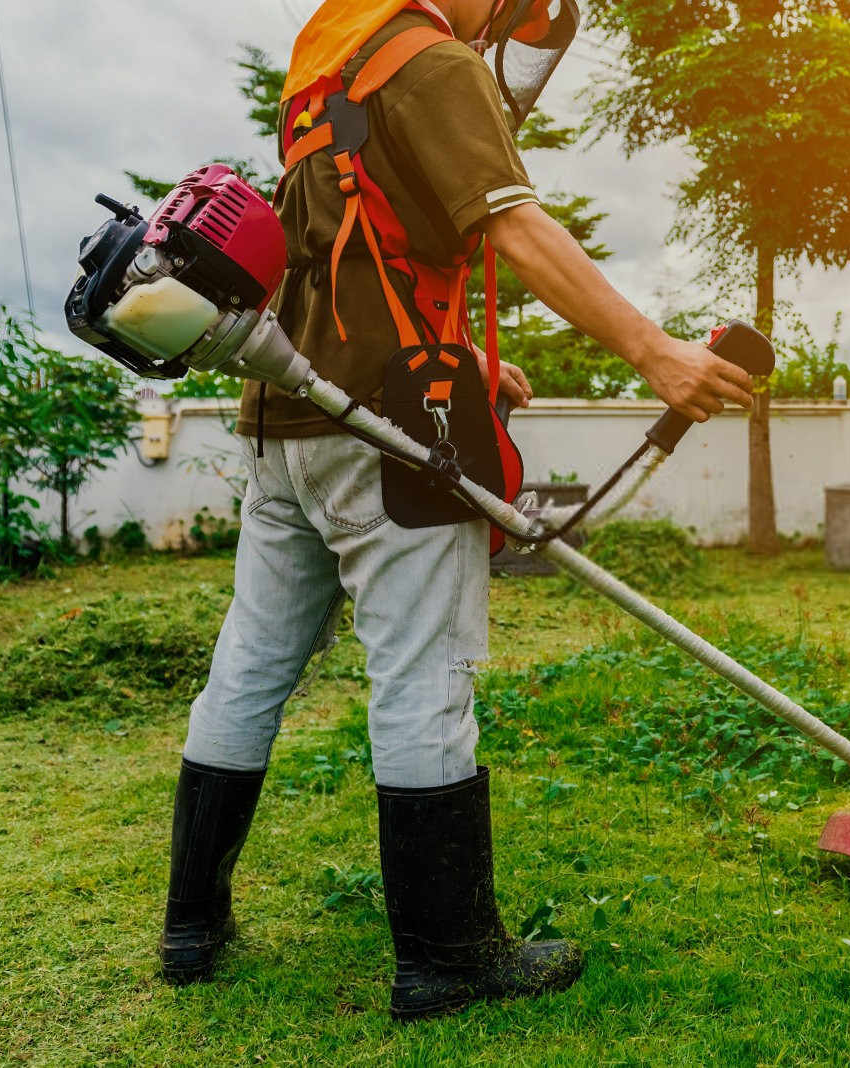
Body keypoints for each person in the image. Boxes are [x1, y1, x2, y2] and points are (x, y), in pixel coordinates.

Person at [158, 0, 754, 1022]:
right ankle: (447, 956)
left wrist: (469, 358)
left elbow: (343, 254)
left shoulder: (325, 69)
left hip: (283, 413)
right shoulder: (429, 61)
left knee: (249, 670)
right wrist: (659, 353)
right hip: (380, 430)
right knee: (423, 676)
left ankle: (189, 928)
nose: (515, 18)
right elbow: (514, 224)